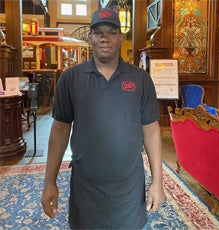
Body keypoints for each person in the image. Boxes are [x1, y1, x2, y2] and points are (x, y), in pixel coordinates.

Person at [41, 8, 165, 229]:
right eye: (98, 32)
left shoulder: (141, 79)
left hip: (129, 185)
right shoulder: (70, 79)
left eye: (111, 32)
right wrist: (49, 182)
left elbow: (151, 129)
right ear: (90, 37)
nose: (104, 38)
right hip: (85, 184)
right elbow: (60, 130)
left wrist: (158, 181)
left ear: (121, 37)